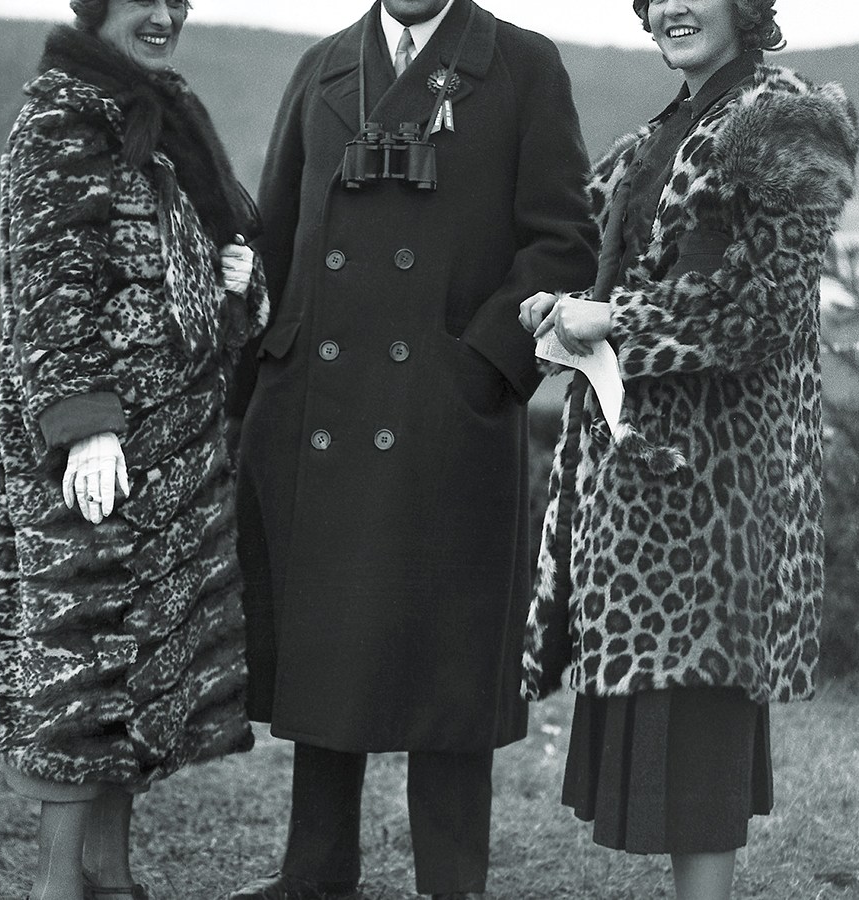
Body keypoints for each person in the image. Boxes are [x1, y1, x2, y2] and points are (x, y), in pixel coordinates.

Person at [230, 1, 599, 897]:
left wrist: (481, 367)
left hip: (446, 416)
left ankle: (451, 881)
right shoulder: (322, 67)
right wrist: (256, 380)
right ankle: (315, 871)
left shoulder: (521, 65)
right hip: (318, 408)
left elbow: (564, 240)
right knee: (328, 639)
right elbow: (274, 238)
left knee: (450, 663)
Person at [519, 2, 859, 898]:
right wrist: (557, 304)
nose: (670, 6)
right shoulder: (661, 131)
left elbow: (763, 313)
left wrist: (615, 319)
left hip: (723, 494)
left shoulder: (790, 118)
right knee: (671, 731)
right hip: (647, 489)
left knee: (702, 730)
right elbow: (601, 259)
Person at [0, 1, 268, 898]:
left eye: (179, 1)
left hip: (172, 458)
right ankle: (59, 888)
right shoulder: (63, 118)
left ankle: (110, 875)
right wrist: (85, 425)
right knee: (77, 677)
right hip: (89, 460)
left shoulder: (164, 110)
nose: (165, 14)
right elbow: (51, 291)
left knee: (137, 678)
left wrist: (232, 285)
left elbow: (187, 279)